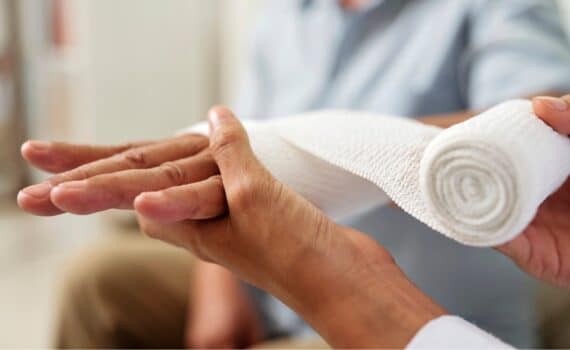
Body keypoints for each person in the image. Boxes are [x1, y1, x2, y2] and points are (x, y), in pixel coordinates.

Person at [18, 0, 570, 348]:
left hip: (411, 307)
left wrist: (332, 145)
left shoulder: (496, 6)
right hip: (268, 285)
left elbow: (530, 124)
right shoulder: (286, 17)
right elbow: (239, 137)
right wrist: (219, 279)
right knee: (96, 282)